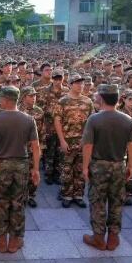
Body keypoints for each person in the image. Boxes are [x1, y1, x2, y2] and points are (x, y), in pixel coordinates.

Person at [82, 84, 132, 251]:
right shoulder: (127, 119)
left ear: (102, 99)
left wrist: (85, 167)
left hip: (99, 165)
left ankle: (98, 237)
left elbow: (88, 145)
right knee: (116, 201)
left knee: (97, 201)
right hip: (119, 164)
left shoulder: (94, 119)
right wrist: (131, 166)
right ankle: (113, 237)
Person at [0, 86, 40, 254]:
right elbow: (36, 146)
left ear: (6, 100)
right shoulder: (29, 119)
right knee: (18, 203)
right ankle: (15, 241)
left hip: (2, 164)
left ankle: (1, 241)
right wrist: (36, 169)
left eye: (1, 98)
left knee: (1, 202)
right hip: (21, 164)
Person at [53, 74, 93, 208]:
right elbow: (57, 121)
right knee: (66, 170)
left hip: (83, 141)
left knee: (81, 169)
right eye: (77, 83)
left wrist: (88, 140)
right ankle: (67, 195)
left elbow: (91, 122)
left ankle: (78, 195)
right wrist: (62, 141)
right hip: (68, 140)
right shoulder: (63, 101)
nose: (80, 85)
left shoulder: (88, 101)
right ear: (70, 84)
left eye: (81, 83)